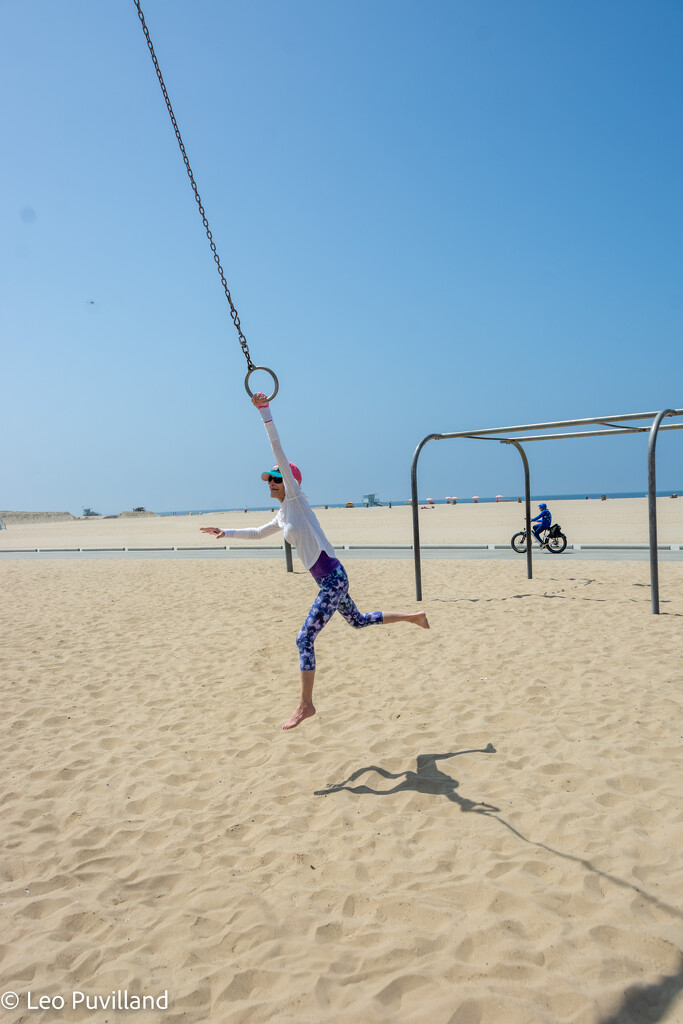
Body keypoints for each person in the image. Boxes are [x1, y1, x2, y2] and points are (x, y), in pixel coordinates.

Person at [201, 393, 430, 731]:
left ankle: (306, 704)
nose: (271, 483)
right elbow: (257, 532)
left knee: (303, 639)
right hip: (332, 579)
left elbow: (279, 450)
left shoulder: (295, 499)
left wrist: (265, 412)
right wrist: (226, 532)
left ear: (288, 482)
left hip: (333, 580)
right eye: (271, 480)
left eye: (275, 479)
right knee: (359, 621)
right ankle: (414, 617)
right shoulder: (282, 514)